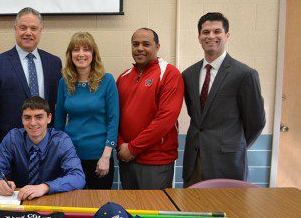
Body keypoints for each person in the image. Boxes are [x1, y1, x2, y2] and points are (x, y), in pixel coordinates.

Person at [182, 12, 265, 187]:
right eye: (205, 32)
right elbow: (196, 116)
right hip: (194, 161)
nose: (211, 36)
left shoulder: (244, 74)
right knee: (190, 212)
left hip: (228, 164)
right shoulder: (188, 75)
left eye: (217, 31)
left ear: (227, 36)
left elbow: (256, 121)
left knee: (230, 212)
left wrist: (233, 145)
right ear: (199, 37)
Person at [0, 7, 62, 170]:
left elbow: (57, 106)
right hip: (9, 146)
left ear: (41, 31)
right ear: (15, 29)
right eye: (23, 28)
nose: (28, 33)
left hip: (47, 146)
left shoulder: (54, 63)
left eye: (33, 28)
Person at [116, 28, 184, 189]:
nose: (140, 48)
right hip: (126, 159)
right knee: (129, 212)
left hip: (156, 162)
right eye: (135, 44)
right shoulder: (123, 77)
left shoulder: (169, 74)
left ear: (157, 47)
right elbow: (114, 116)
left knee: (153, 213)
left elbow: (165, 120)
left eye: (146, 44)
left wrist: (132, 148)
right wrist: (121, 146)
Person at [0, 97, 86, 201]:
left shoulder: (62, 141)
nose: (33, 123)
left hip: (53, 199)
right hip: (20, 200)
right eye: (27, 117)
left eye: (39, 117)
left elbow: (78, 177)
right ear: (22, 119)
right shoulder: (13, 138)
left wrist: (45, 187)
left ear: (49, 118)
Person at [55, 32, 119, 189]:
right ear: (70, 55)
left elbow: (113, 120)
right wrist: (59, 155)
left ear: (93, 54)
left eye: (86, 49)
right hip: (71, 157)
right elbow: (59, 122)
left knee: (99, 207)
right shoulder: (64, 82)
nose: (81, 54)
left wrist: (106, 156)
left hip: (99, 157)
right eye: (76, 49)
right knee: (73, 205)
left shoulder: (107, 80)